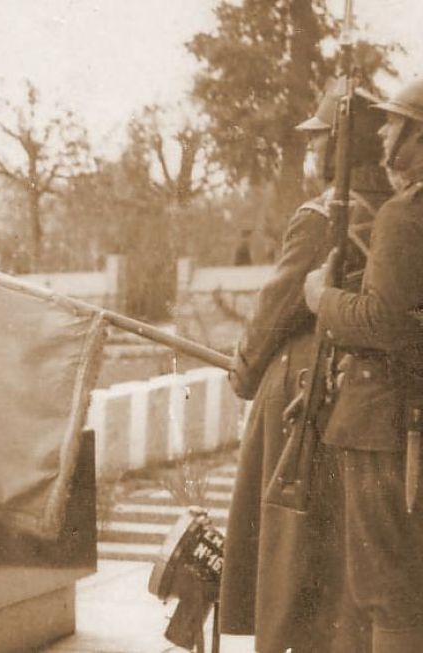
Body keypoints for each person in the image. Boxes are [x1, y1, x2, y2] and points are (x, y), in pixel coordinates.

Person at [219, 83, 391, 653]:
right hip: (371, 407)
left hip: (306, 398)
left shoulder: (321, 218)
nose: (312, 149)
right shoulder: (402, 210)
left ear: (340, 146)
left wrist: (244, 374)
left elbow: (274, 310)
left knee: (294, 549)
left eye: (319, 139)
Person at [304, 78, 423, 653]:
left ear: (419, 137)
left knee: (387, 588)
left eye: (396, 123)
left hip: (387, 422)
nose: (382, 133)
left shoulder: (405, 214)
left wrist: (321, 299)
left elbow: (383, 323)